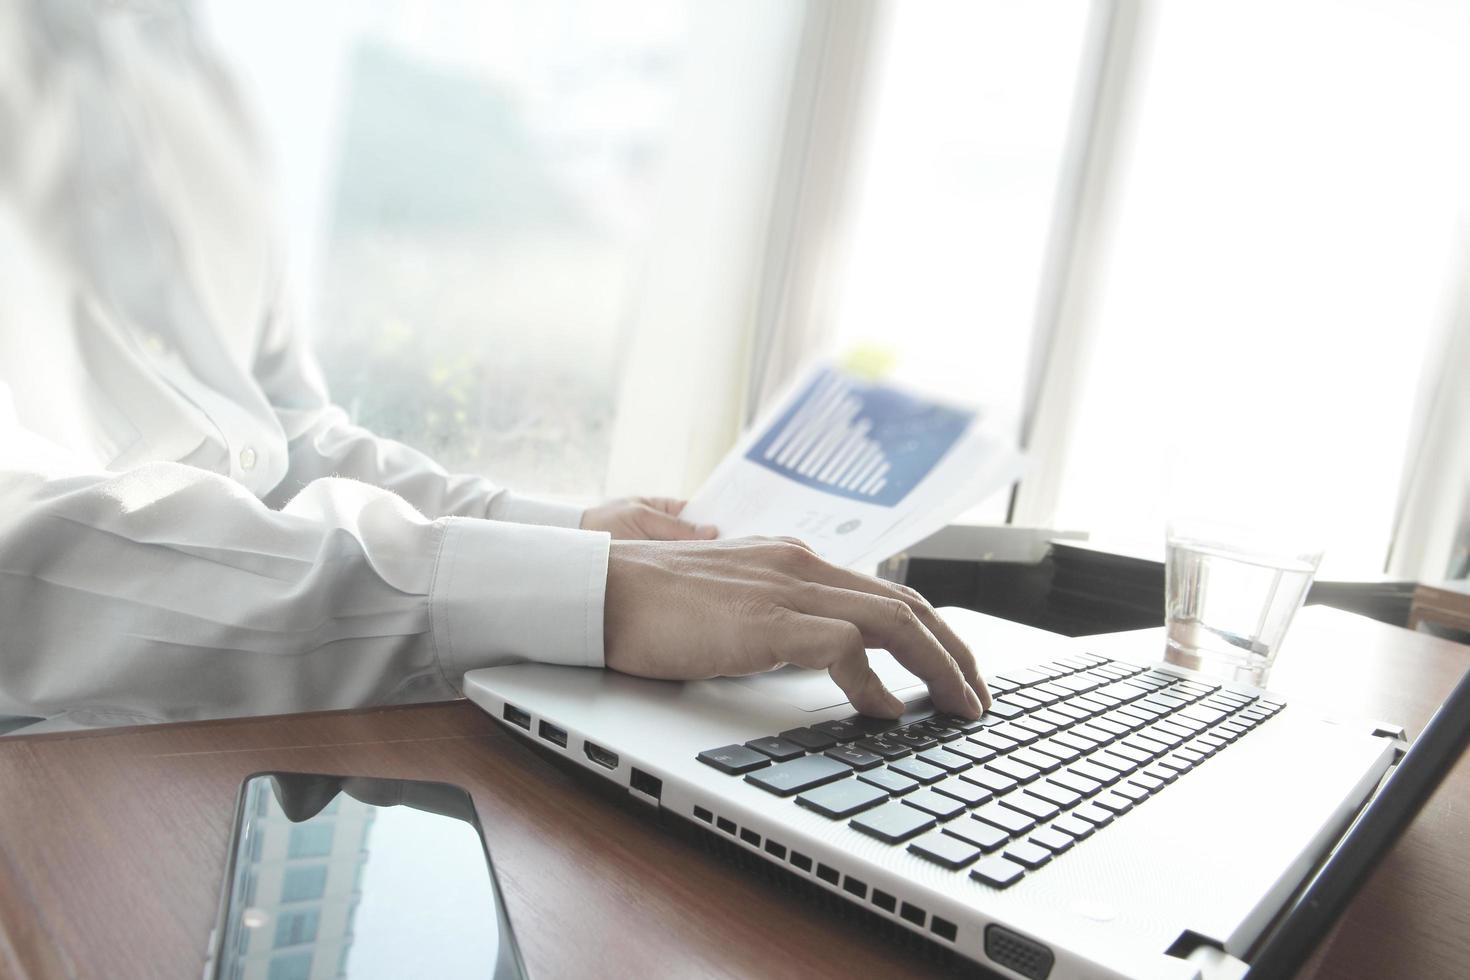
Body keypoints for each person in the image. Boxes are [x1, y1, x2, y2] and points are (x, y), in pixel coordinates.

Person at [0, 1, 988, 735]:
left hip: (224, 727)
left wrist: (576, 532)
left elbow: (278, 434)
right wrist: (594, 593)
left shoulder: (183, 69)